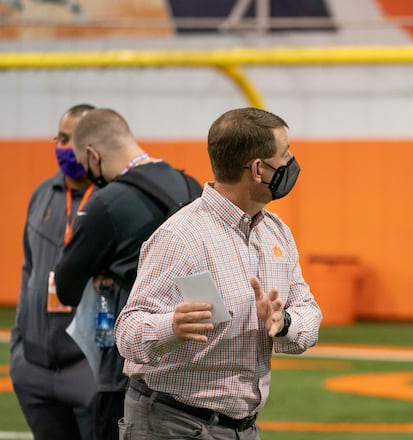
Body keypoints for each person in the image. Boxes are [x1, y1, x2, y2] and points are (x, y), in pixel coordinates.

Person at [115, 107, 322, 439]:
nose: (291, 165)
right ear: (258, 169)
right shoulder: (181, 237)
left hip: (241, 428)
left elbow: (309, 311)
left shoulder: (276, 232)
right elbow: (127, 332)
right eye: (285, 157)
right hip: (172, 424)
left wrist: (285, 324)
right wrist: (170, 326)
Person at [54, 108, 201, 440]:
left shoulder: (105, 203)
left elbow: (66, 287)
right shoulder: (190, 184)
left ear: (93, 155)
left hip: (130, 368)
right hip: (191, 367)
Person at [10, 104, 97, 440]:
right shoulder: (43, 194)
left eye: (68, 139)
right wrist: (20, 347)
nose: (60, 146)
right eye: (58, 137)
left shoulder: (113, 199)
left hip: (86, 368)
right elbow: (28, 269)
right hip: (34, 368)